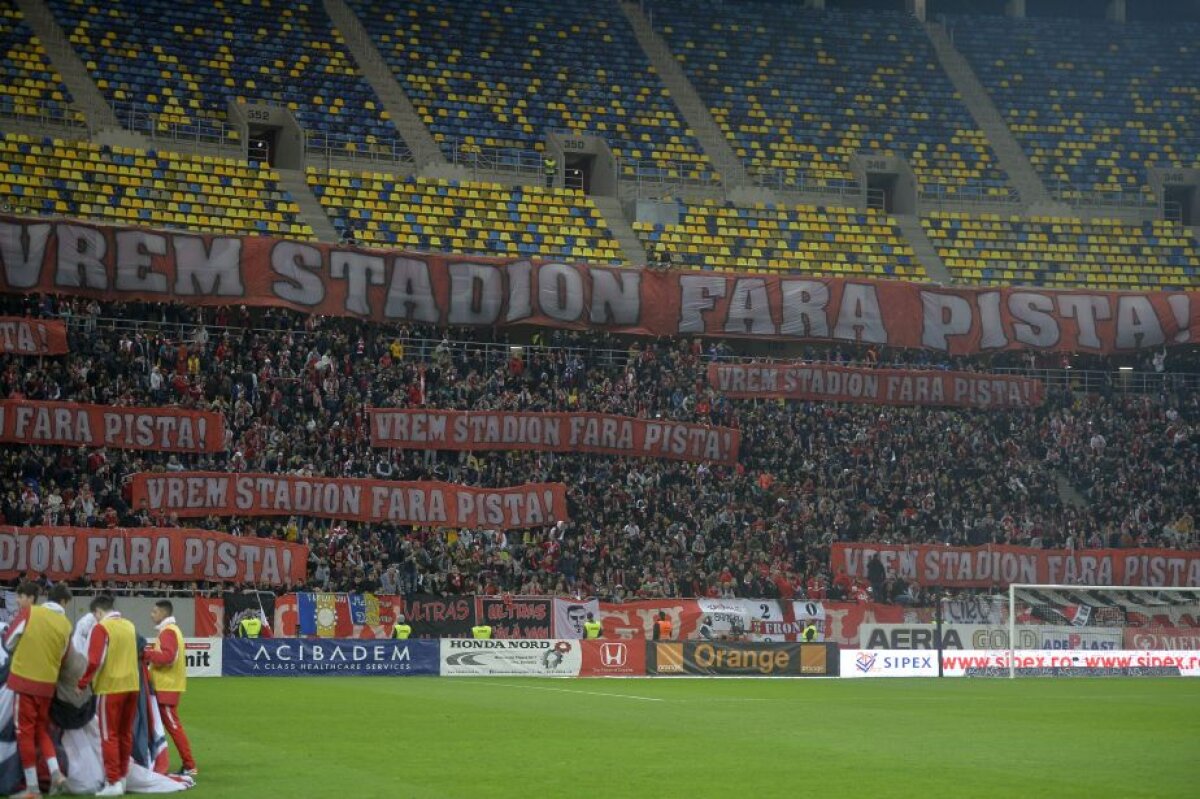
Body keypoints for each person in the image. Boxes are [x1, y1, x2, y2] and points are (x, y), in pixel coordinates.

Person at [3, 581, 72, 798]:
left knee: (24, 733)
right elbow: (63, 657)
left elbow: (9, 641)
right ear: (64, 603)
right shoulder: (66, 625)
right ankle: (55, 773)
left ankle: (32, 788)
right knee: (41, 731)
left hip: (25, 680)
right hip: (47, 685)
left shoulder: (31, 612)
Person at [78, 596, 140, 798]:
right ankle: (121, 777)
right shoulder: (129, 625)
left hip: (111, 687)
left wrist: (82, 683)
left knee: (109, 735)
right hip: (132, 686)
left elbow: (95, 660)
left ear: (97, 612)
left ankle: (112, 781)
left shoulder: (101, 628)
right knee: (125, 734)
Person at [143, 600, 196, 777]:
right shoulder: (171, 631)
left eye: (154, 611)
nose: (151, 614)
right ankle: (153, 761)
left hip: (166, 687)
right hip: (167, 686)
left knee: (173, 727)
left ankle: (189, 765)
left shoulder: (168, 632)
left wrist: (145, 653)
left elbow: (167, 657)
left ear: (163, 614)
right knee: (160, 727)